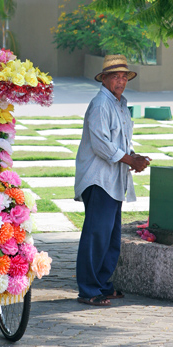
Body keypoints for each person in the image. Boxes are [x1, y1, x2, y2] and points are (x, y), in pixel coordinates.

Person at [74, 54, 151, 306]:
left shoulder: (120, 103)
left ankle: (103, 285)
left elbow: (119, 144)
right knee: (96, 236)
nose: (120, 81)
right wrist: (131, 161)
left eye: (124, 76)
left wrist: (134, 156)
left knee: (111, 237)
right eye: (115, 76)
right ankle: (88, 290)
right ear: (104, 79)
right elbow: (102, 146)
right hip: (98, 180)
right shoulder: (100, 104)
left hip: (113, 180)